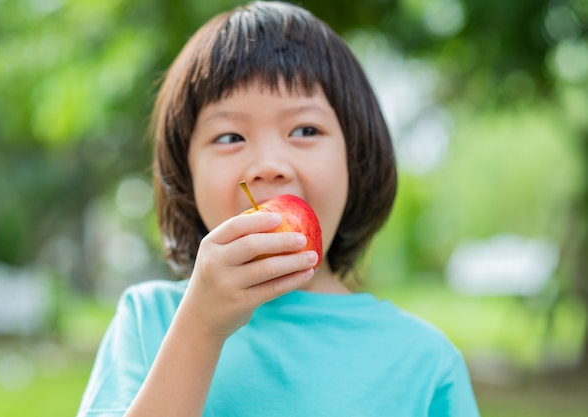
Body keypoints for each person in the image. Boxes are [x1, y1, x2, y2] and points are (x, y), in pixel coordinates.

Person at [76, 1, 480, 416]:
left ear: (355, 159)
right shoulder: (149, 321)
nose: (269, 165)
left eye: (305, 130)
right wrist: (199, 328)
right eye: (230, 136)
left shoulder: (423, 361)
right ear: (185, 173)